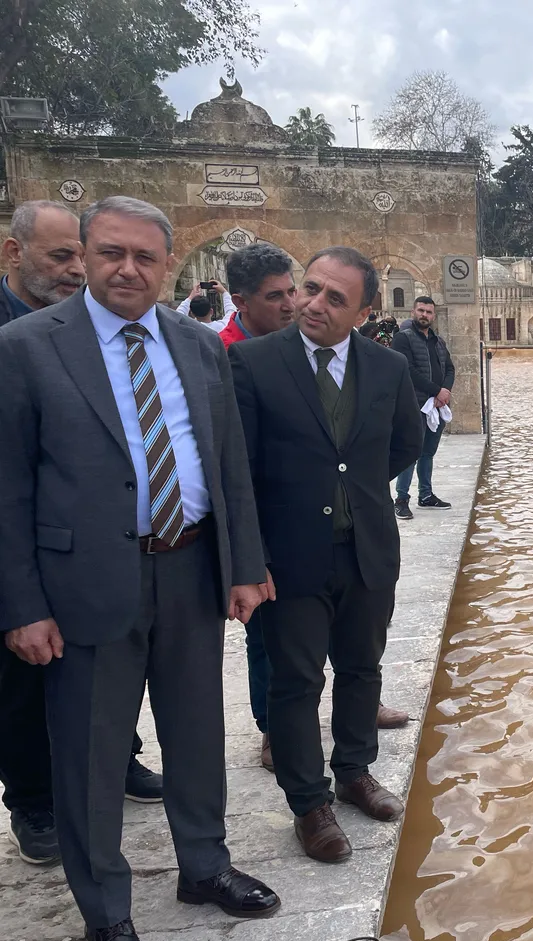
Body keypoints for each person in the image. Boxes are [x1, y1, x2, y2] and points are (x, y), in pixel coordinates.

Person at [0, 196, 279, 941]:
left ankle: (204, 866)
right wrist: (20, 605)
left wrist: (246, 566)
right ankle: (106, 911)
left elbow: (229, 468)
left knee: (196, 734)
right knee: (90, 756)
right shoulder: (26, 347)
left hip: (189, 569)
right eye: (112, 253)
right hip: (83, 583)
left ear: (167, 265)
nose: (128, 268)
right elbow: (7, 487)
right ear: (85, 256)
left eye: (145, 257)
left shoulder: (196, 346)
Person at [229, 246, 422, 864]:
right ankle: (309, 803)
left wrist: (355, 491)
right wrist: (251, 558)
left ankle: (355, 772)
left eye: (334, 297)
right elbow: (241, 473)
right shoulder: (254, 363)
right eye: (309, 288)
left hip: (366, 551)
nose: (312, 303)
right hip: (290, 559)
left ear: (364, 311)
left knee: (363, 669)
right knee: (296, 682)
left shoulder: (387, 369)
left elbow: (403, 445)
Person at [0, 201, 164, 870]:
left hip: (94, 541)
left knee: (105, 656)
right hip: (26, 541)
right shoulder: (16, 339)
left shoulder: (96, 328)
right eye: (59, 256)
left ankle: (117, 757)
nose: (74, 269)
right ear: (15, 256)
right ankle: (33, 800)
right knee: (21, 680)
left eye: (79, 253)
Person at [217, 242, 299, 772]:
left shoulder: (304, 345)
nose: (291, 304)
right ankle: (272, 727)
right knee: (265, 633)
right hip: (258, 521)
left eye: (294, 290)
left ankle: (350, 702)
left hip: (304, 514)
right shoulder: (221, 355)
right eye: (276, 297)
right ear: (240, 300)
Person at [390, 296, 454, 519]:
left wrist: (444, 392)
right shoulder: (403, 339)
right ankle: (401, 499)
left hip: (437, 406)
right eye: (421, 311)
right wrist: (436, 391)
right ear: (413, 312)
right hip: (415, 405)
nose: (424, 315)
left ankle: (425, 495)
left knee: (428, 453)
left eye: (428, 312)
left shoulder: (438, 342)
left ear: (433, 316)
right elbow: (408, 370)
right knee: (410, 453)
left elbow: (450, 369)